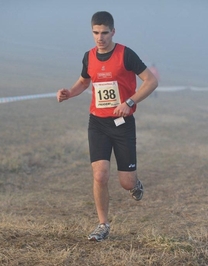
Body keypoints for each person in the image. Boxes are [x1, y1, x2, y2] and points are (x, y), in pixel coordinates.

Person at [56, 11, 158, 242]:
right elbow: (84, 81)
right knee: (100, 175)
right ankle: (102, 224)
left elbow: (151, 81)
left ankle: (135, 184)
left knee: (126, 182)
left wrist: (130, 102)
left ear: (113, 31)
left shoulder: (126, 54)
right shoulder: (89, 56)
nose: (100, 37)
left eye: (104, 33)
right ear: (91, 32)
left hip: (123, 124)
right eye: (95, 33)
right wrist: (69, 93)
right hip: (98, 123)